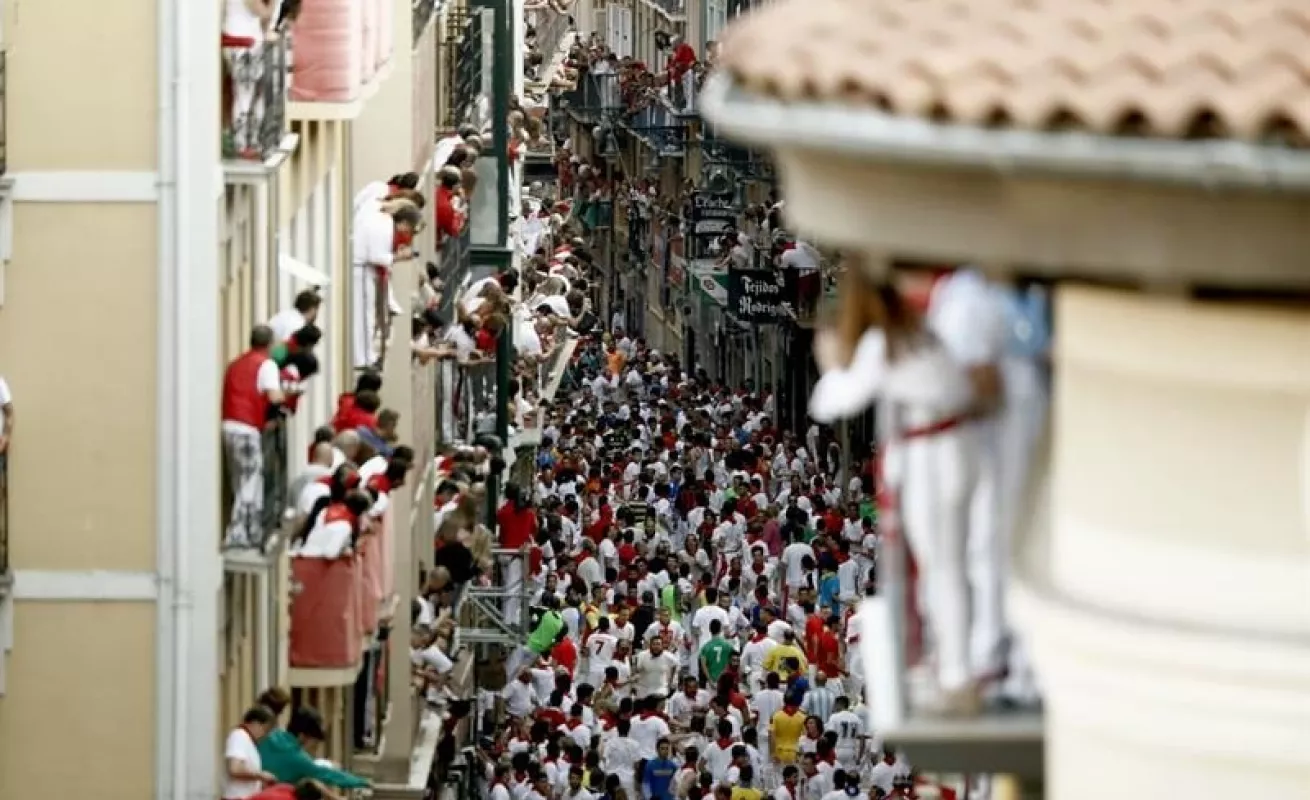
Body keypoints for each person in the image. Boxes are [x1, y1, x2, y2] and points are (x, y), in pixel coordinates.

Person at [221, 326, 284, 548]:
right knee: (250, 481)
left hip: (228, 423)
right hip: (248, 427)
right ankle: (242, 532)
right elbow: (274, 397)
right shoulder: (266, 365)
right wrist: (274, 416)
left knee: (238, 480)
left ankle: (241, 529)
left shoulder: (236, 363)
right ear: (269, 344)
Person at [257, 704, 370, 790]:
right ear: (302, 736)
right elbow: (329, 775)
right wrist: (361, 782)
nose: (313, 746)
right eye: (313, 740)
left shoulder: (269, 736)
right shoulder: (298, 758)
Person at [223, 705, 279, 800]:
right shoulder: (239, 736)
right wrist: (260, 775)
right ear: (255, 723)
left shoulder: (249, 741)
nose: (265, 735)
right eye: (265, 730)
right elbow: (234, 768)